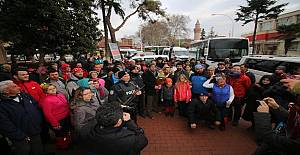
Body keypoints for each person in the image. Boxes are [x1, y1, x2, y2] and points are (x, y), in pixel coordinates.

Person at [79, 102, 148, 155]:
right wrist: (130, 122)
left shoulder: (85, 131)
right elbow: (144, 140)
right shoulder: (129, 139)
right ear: (119, 122)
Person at [0, 80, 43, 155]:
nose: (19, 87)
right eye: (14, 86)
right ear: (6, 91)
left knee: (38, 150)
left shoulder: (25, 96)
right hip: (20, 137)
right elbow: (5, 124)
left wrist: (38, 121)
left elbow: (36, 107)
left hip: (35, 130)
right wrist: (20, 136)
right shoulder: (2, 106)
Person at [39, 84, 71, 149]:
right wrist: (55, 124)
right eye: (50, 89)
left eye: (54, 88)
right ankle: (62, 146)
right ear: (46, 91)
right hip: (57, 120)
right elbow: (47, 113)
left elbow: (66, 105)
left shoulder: (60, 95)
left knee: (66, 132)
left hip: (66, 117)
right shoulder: (47, 100)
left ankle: (67, 143)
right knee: (60, 134)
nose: (53, 90)